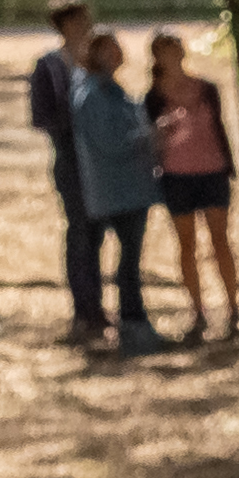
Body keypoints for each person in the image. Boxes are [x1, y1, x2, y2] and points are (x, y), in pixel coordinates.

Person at [65, 23, 166, 351]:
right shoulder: (92, 94)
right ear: (94, 54)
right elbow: (109, 143)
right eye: (108, 49)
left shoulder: (115, 90)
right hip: (115, 191)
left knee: (132, 260)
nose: (116, 54)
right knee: (127, 263)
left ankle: (134, 321)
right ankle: (132, 325)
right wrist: (148, 136)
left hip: (132, 188)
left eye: (117, 48)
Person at [147, 30, 239, 342]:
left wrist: (230, 166)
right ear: (156, 57)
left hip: (212, 172)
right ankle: (198, 312)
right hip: (177, 177)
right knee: (187, 245)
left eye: (175, 48)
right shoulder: (153, 98)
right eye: (165, 50)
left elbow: (220, 128)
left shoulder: (206, 89)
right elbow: (151, 142)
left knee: (220, 241)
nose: (172, 55)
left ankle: (233, 310)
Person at [28, 0, 102, 340]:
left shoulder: (96, 62)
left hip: (100, 162)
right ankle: (82, 311)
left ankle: (97, 309)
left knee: (98, 234)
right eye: (81, 20)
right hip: (71, 161)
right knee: (80, 234)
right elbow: (41, 116)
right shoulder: (49, 66)